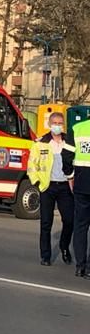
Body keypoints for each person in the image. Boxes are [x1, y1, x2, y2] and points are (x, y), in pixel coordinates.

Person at [28, 111, 75, 266]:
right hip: (47, 187)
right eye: (54, 123)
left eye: (60, 123)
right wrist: (37, 183)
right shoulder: (41, 142)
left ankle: (64, 246)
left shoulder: (70, 141)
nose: (57, 126)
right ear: (49, 125)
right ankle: (45, 256)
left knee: (69, 221)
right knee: (46, 223)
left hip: (65, 186)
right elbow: (31, 165)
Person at [70, 115, 90, 277]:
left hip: (82, 183)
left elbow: (66, 155)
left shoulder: (78, 129)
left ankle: (80, 265)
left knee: (81, 226)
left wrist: (70, 176)